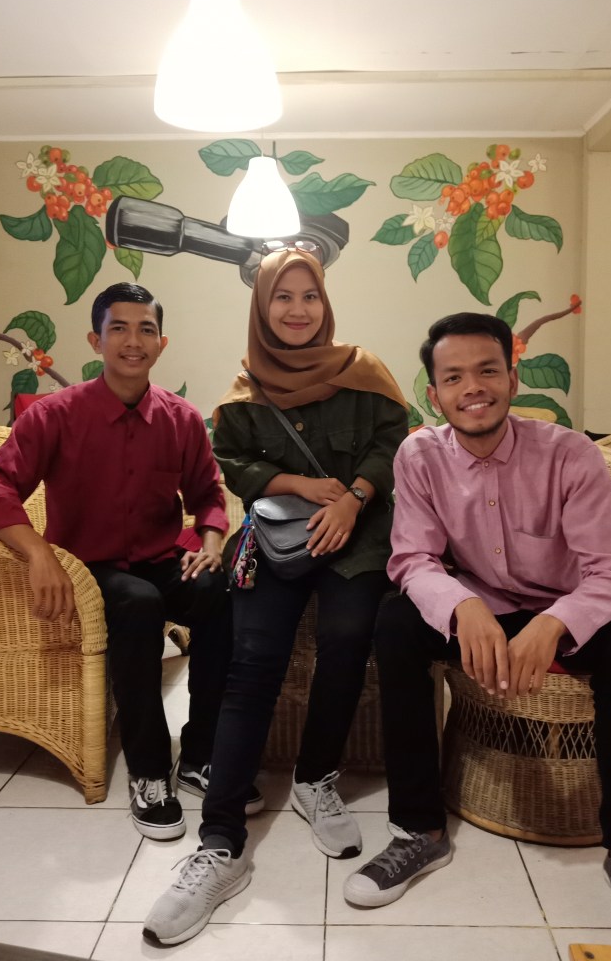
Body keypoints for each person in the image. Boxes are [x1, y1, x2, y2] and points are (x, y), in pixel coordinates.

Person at [343, 311, 611, 952]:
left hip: (564, 604)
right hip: (482, 602)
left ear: (512, 378)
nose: (473, 387)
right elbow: (412, 559)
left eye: (487, 371)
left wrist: (554, 624)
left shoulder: (569, 454)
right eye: (454, 377)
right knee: (395, 625)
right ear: (434, 393)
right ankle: (420, 830)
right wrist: (462, 606)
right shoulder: (420, 456)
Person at [143, 244, 409, 946]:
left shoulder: (365, 372)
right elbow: (234, 463)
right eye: (282, 298)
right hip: (278, 537)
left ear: (326, 302)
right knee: (251, 662)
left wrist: (352, 498)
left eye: (309, 296)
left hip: (357, 535)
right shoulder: (244, 392)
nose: (297, 310)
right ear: (262, 308)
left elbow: (393, 441)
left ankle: (315, 777)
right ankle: (220, 843)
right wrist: (298, 485)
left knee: (348, 638)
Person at [0, 281, 238, 843]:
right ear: (96, 340)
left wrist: (211, 543)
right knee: (138, 604)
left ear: (161, 343)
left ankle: (201, 754)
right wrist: (38, 552)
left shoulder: (182, 419)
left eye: (146, 330)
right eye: (119, 329)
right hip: (89, 566)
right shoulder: (54, 415)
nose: (133, 341)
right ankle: (149, 772)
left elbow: (208, 495)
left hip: (161, 557)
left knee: (218, 592)